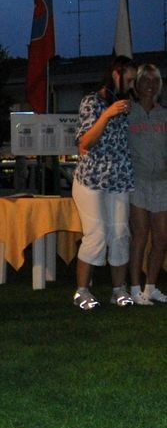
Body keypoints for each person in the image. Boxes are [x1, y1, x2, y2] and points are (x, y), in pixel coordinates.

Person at [71, 55, 138, 310]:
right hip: (91, 180)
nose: (131, 85)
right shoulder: (92, 101)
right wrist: (107, 114)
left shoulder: (126, 105)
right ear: (116, 75)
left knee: (120, 234)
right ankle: (81, 291)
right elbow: (85, 142)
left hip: (119, 180)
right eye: (129, 80)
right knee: (96, 234)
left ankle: (118, 290)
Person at [127, 63, 167, 305]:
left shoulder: (164, 115)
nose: (150, 85)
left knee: (161, 237)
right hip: (137, 181)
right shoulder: (128, 112)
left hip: (161, 182)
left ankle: (150, 287)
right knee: (140, 234)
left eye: (155, 81)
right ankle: (134, 288)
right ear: (137, 84)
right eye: (146, 80)